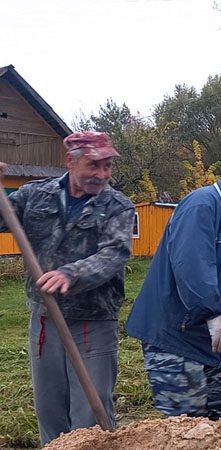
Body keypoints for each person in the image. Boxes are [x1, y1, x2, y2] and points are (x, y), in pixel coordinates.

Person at [0, 131, 134, 446]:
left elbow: (114, 253)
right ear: (70, 162)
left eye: (108, 166)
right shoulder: (34, 196)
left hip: (93, 320)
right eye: (94, 165)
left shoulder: (117, 206)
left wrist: (70, 274)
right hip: (45, 319)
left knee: (90, 412)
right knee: (50, 409)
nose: (102, 175)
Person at [125, 146, 221, 418]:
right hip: (176, 338)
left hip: (209, 343)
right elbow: (191, 263)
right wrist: (215, 313)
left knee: (213, 419)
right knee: (185, 428)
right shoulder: (202, 205)